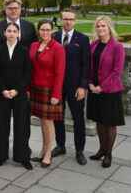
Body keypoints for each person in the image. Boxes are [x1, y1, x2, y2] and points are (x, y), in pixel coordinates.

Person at [0, 0, 36, 150]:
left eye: (16, 8)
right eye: (10, 8)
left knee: (22, 123)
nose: (13, 11)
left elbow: (32, 57)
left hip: (22, 85)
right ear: (5, 10)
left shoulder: (29, 27)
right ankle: (1, 153)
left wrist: (25, 87)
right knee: (3, 123)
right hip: (3, 84)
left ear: (20, 9)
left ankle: (23, 150)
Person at [51, 9, 90, 165]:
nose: (68, 22)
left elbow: (86, 65)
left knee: (78, 118)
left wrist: (82, 86)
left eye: (71, 19)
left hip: (75, 87)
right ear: (61, 20)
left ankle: (79, 150)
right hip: (57, 86)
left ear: (75, 20)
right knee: (57, 117)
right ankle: (60, 145)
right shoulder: (53, 37)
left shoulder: (82, 39)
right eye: (65, 19)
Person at [0, 22, 33, 170]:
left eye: (14, 31)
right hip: (3, 93)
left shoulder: (24, 50)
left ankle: (22, 157)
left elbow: (27, 74)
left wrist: (16, 90)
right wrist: (3, 90)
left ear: (18, 34)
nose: (11, 33)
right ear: (5, 33)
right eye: (8, 31)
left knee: (21, 126)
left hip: (19, 93)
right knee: (3, 125)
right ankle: (1, 155)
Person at [87, 16, 125, 168]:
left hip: (110, 90)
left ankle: (108, 154)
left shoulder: (117, 47)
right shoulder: (94, 45)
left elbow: (117, 71)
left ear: (109, 27)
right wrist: (90, 83)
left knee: (109, 123)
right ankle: (101, 150)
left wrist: (101, 87)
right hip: (94, 89)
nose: (100, 29)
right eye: (98, 26)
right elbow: (90, 67)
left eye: (103, 26)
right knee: (99, 121)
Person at [29, 19, 65, 168]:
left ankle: (48, 153)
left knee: (48, 122)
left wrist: (56, 94)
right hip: (35, 89)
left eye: (47, 30)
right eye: (42, 29)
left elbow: (60, 73)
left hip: (49, 90)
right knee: (42, 122)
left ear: (52, 31)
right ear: (38, 31)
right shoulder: (34, 45)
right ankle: (44, 149)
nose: (45, 32)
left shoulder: (58, 48)